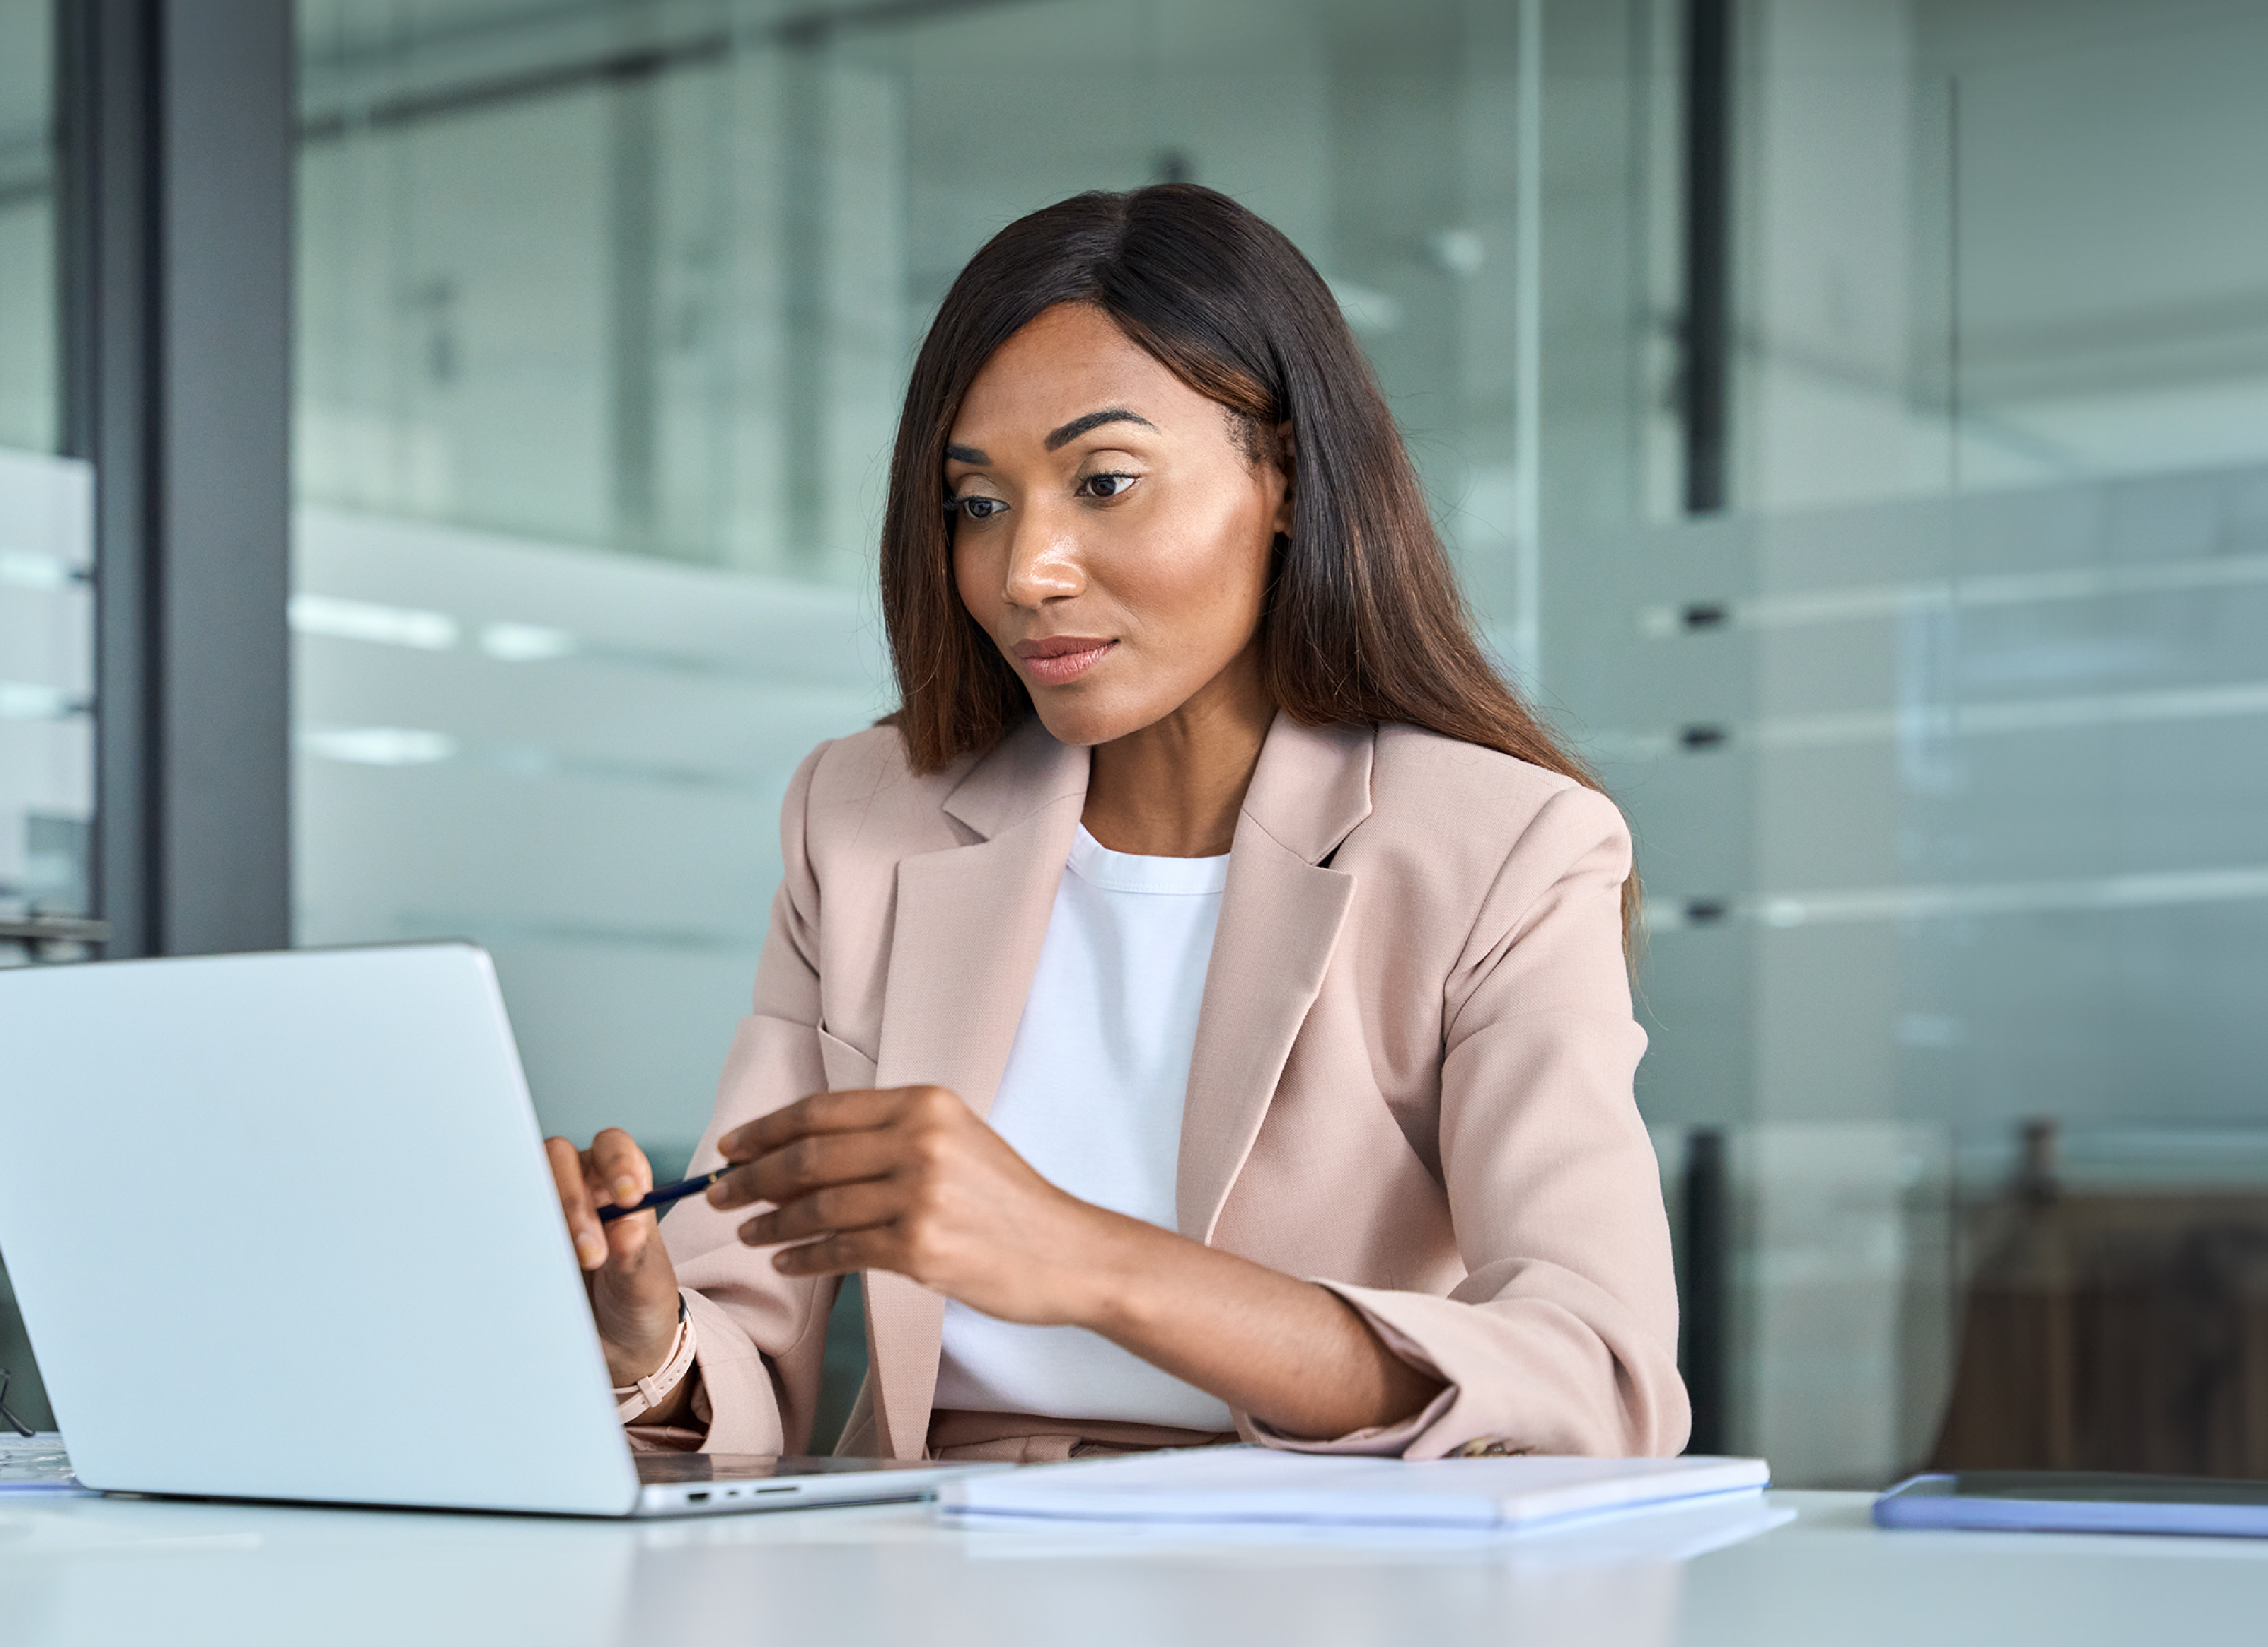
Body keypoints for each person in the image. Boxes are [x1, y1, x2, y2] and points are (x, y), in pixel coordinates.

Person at [544, 183, 1687, 1464]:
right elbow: (744, 1362)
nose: (1025, 568)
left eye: (1104, 481)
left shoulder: (1503, 847)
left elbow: (1599, 1381)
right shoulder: (863, 819)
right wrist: (650, 1340)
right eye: (977, 503)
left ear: (1289, 480)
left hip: (1309, 1575)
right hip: (924, 1568)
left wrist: (1084, 1259)